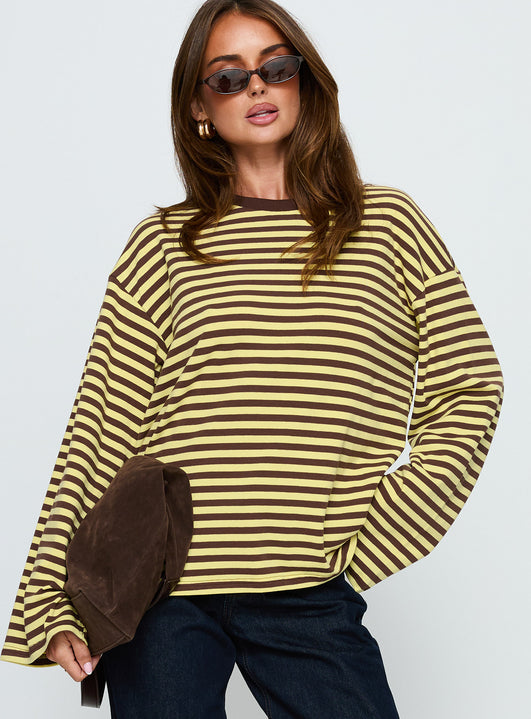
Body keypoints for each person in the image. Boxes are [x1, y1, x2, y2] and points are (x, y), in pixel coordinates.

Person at [1, 0, 503, 717]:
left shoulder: (387, 225)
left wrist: (370, 538)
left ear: (305, 80)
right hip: (162, 591)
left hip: (308, 590)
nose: (257, 87)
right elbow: (100, 427)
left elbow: (470, 387)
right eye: (228, 77)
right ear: (199, 106)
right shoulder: (163, 244)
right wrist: (52, 598)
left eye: (276, 67)